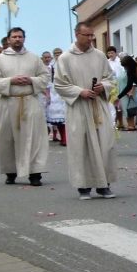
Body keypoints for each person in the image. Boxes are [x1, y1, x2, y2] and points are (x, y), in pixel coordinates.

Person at [54, 22, 118, 200]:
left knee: (105, 144)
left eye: (92, 36)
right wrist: (79, 91)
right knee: (81, 147)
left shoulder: (99, 56)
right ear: (77, 35)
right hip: (79, 108)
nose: (90, 39)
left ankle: (104, 185)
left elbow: (110, 78)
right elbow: (59, 84)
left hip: (98, 105)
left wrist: (102, 87)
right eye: (87, 35)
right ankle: (84, 186)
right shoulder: (65, 58)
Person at [0, 28, 50, 187]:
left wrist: (31, 80)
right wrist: (10, 81)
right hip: (9, 102)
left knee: (34, 138)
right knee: (8, 138)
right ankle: (11, 171)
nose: (17, 39)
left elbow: (45, 77)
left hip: (30, 102)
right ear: (8, 40)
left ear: (24, 39)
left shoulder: (34, 58)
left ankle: (35, 173)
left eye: (20, 37)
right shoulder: (0, 59)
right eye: (14, 37)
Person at [45, 48, 67, 146]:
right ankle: (63, 138)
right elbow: (49, 81)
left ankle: (65, 138)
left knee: (65, 119)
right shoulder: (52, 66)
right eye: (56, 53)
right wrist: (48, 93)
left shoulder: (66, 64)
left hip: (65, 90)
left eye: (59, 53)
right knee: (58, 118)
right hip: (55, 92)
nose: (58, 55)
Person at [118, 55, 137, 131]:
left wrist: (119, 96)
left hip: (136, 92)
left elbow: (130, 85)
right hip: (125, 92)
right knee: (127, 109)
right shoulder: (130, 71)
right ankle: (130, 125)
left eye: (125, 66)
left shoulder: (136, 70)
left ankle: (131, 125)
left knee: (129, 109)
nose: (125, 68)